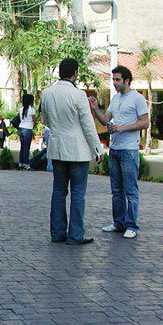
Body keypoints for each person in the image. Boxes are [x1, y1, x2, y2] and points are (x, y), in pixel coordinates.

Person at [42, 58, 104, 245]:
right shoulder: (79, 95)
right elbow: (88, 125)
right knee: (78, 193)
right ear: (75, 73)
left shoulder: (47, 93)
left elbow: (45, 121)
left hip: (57, 148)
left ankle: (57, 233)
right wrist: (97, 149)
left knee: (58, 191)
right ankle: (76, 235)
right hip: (78, 150)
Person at [89, 65, 150, 239]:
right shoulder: (115, 99)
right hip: (114, 149)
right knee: (116, 190)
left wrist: (122, 128)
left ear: (127, 80)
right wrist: (95, 108)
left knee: (130, 190)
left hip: (129, 150)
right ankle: (118, 223)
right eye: (113, 80)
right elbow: (105, 120)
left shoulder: (137, 98)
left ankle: (132, 226)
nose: (115, 83)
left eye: (117, 80)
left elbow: (145, 122)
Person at [17, 93, 36, 169]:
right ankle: (26, 164)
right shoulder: (32, 110)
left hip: (21, 128)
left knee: (22, 147)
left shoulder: (20, 109)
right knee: (26, 147)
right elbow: (34, 120)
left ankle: (21, 163)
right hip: (28, 129)